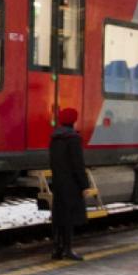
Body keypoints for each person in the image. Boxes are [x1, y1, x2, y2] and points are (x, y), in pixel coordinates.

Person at [48, 107, 90, 260]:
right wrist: (85, 185)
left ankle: (57, 249)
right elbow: (78, 165)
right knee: (69, 218)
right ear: (74, 120)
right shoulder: (74, 139)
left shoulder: (55, 137)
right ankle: (68, 249)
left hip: (59, 182)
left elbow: (53, 161)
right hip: (72, 184)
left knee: (59, 216)